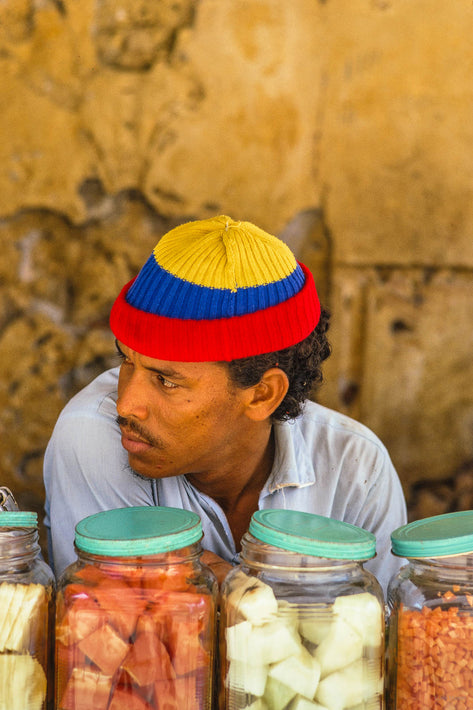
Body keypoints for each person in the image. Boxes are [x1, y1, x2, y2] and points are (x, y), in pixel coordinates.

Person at [43, 215, 407, 592]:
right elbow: (122, 628)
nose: (125, 405)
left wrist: (214, 581)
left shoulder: (355, 468)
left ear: (262, 394)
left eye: (166, 380)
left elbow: (371, 633)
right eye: (126, 361)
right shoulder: (92, 435)